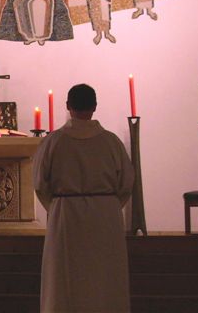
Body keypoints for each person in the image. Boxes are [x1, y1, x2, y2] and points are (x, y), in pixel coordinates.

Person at [32, 84, 134, 312]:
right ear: (95, 106)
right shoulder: (111, 142)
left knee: (65, 278)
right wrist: (109, 205)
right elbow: (126, 183)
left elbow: (39, 183)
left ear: (68, 106)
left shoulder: (53, 141)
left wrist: (56, 206)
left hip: (65, 213)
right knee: (105, 277)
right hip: (105, 214)